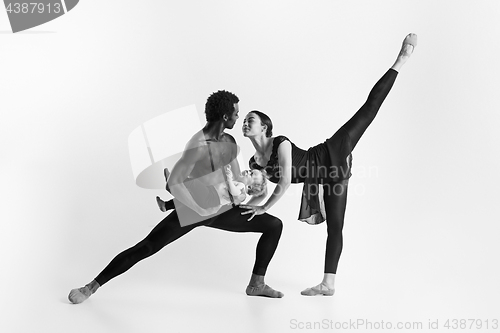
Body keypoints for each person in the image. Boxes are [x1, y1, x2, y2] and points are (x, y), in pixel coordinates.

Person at [239, 33, 418, 296]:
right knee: (335, 227)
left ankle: (401, 60)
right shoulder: (255, 161)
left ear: (264, 127)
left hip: (330, 153)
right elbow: (260, 189)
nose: (245, 123)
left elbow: (286, 182)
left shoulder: (281, 143)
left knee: (368, 110)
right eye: (244, 121)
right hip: (328, 179)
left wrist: (265, 207)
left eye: (249, 120)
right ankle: (328, 284)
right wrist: (253, 206)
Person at [68, 90, 284, 304]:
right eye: (236, 114)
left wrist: (253, 193)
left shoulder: (229, 140)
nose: (239, 118)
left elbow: (236, 177)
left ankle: (256, 284)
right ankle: (90, 287)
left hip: (222, 206)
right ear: (226, 116)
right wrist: (200, 210)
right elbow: (174, 183)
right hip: (195, 208)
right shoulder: (197, 146)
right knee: (148, 246)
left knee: (274, 225)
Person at [156, 166, 269, 212]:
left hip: (211, 198)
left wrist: (229, 179)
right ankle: (166, 206)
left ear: (249, 186)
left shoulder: (241, 188)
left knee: (194, 183)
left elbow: (233, 191)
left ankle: (173, 184)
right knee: (190, 195)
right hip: (210, 193)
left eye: (251, 174)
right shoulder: (238, 183)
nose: (248, 171)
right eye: (250, 170)